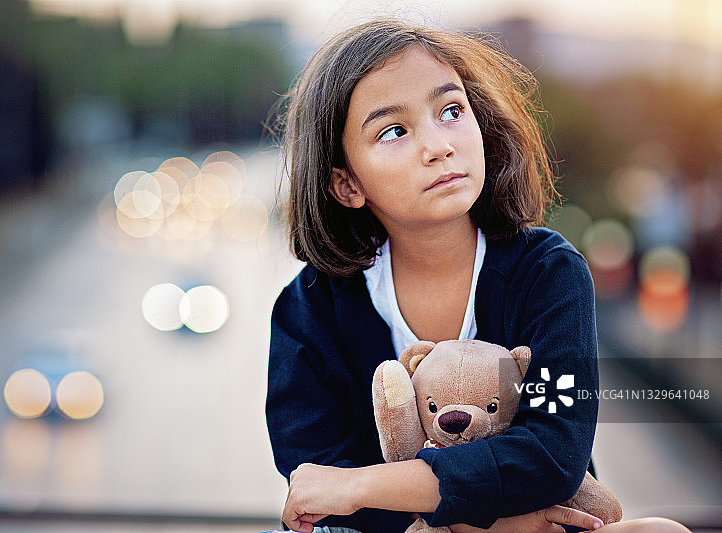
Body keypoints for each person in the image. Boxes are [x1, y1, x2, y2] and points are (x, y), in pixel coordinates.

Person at [266, 18, 692, 533]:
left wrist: (365, 488)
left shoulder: (548, 275)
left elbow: (555, 452)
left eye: (450, 111)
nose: (439, 146)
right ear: (347, 183)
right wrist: (500, 517)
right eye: (394, 131)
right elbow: (316, 485)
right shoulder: (309, 310)